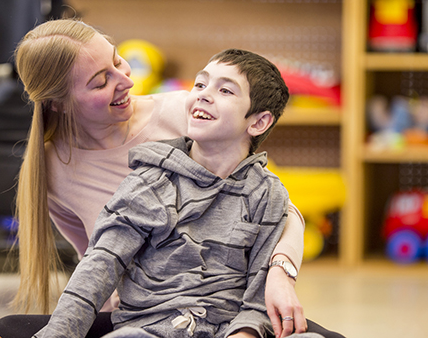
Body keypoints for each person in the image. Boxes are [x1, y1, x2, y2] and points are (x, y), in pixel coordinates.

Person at [0, 19, 343, 338]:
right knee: (3, 329)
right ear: (59, 103)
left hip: (232, 306)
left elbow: (278, 210)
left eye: (118, 60)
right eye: (100, 81)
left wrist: (279, 273)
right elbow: (97, 261)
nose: (125, 80)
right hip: (144, 313)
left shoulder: (190, 113)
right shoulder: (61, 170)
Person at [33, 47, 316, 338]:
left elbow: (259, 293)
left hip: (229, 328)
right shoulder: (148, 182)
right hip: (148, 329)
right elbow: (99, 264)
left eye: (226, 91)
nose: (204, 94)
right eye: (201, 84)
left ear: (258, 122)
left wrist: (244, 333)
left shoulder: (267, 194)